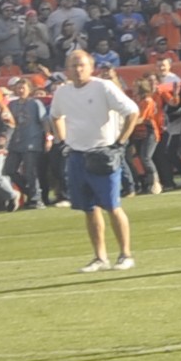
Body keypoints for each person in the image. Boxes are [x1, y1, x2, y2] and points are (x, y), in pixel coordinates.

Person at [53, 45, 139, 272]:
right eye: (74, 66)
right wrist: (62, 142)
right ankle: (100, 257)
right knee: (88, 209)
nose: (78, 69)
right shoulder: (62, 92)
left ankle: (125, 254)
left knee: (113, 205)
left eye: (82, 65)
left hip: (102, 153)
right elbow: (55, 116)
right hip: (77, 155)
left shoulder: (104, 87)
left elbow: (132, 111)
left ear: (91, 67)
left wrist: (120, 143)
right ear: (67, 70)